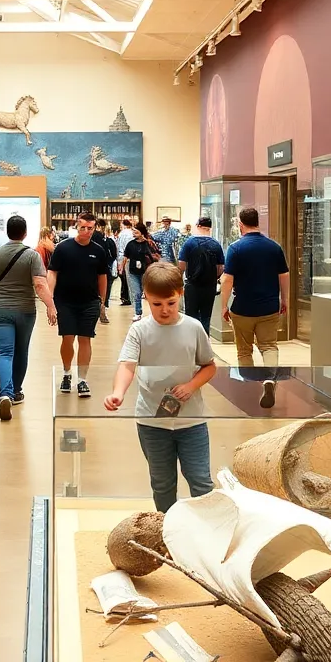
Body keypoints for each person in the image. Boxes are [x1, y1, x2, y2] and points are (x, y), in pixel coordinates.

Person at [103, 264, 217, 512]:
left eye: (171, 302)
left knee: (201, 482)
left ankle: (210, 532)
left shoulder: (194, 328)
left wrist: (191, 385)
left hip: (192, 421)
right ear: (145, 296)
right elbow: (127, 366)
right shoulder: (139, 330)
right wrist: (118, 393)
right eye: (157, 304)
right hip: (152, 423)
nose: (164, 310)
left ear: (181, 294)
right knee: (163, 484)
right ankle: (167, 532)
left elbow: (209, 366)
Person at [0, 215, 57, 421]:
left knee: (5, 352)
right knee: (22, 351)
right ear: (25, 233)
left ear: (7, 232)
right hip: (25, 310)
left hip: (1, 310)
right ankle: (16, 391)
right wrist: (51, 306)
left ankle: (4, 394)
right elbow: (40, 285)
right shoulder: (31, 256)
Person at [220, 205, 289, 409]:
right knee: (269, 346)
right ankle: (269, 379)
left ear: (240, 224)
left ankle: (249, 388)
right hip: (269, 307)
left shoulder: (236, 248)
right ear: (258, 222)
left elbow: (227, 280)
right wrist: (284, 300)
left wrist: (224, 305)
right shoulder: (274, 247)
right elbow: (284, 276)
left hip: (242, 308)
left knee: (244, 350)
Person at [48, 212, 109, 398]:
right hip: (64, 302)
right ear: (77, 226)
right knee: (67, 338)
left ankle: (82, 379)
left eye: (90, 228)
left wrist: (103, 303)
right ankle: (67, 374)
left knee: (85, 339)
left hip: (89, 302)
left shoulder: (99, 250)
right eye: (82, 227)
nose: (86, 231)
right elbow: (52, 273)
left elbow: (102, 277)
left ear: (95, 228)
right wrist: (50, 302)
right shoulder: (63, 248)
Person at [177, 216, 225, 335]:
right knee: (206, 316)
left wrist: (178, 281)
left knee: (191, 316)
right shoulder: (216, 245)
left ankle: (191, 341)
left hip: (192, 285)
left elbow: (181, 265)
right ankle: (204, 342)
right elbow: (221, 268)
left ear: (198, 226)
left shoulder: (189, 243)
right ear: (210, 228)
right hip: (210, 286)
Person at [120, 222, 157, 321]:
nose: (134, 233)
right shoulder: (130, 244)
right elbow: (125, 256)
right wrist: (121, 268)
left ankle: (154, 311)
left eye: (136, 231)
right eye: (133, 231)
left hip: (147, 272)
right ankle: (138, 312)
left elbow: (155, 256)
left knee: (149, 293)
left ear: (142, 232)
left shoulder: (149, 244)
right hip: (133, 271)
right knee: (136, 292)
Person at [92, 227, 117, 325]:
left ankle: (95, 308)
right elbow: (113, 254)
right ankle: (103, 305)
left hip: (91, 271)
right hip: (105, 269)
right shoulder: (104, 244)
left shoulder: (89, 246)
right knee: (105, 288)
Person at [116, 218, 135, 305]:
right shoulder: (132, 233)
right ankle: (130, 297)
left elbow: (119, 247)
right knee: (130, 278)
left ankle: (125, 297)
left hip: (122, 257)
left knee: (123, 279)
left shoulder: (121, 234)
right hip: (131, 258)